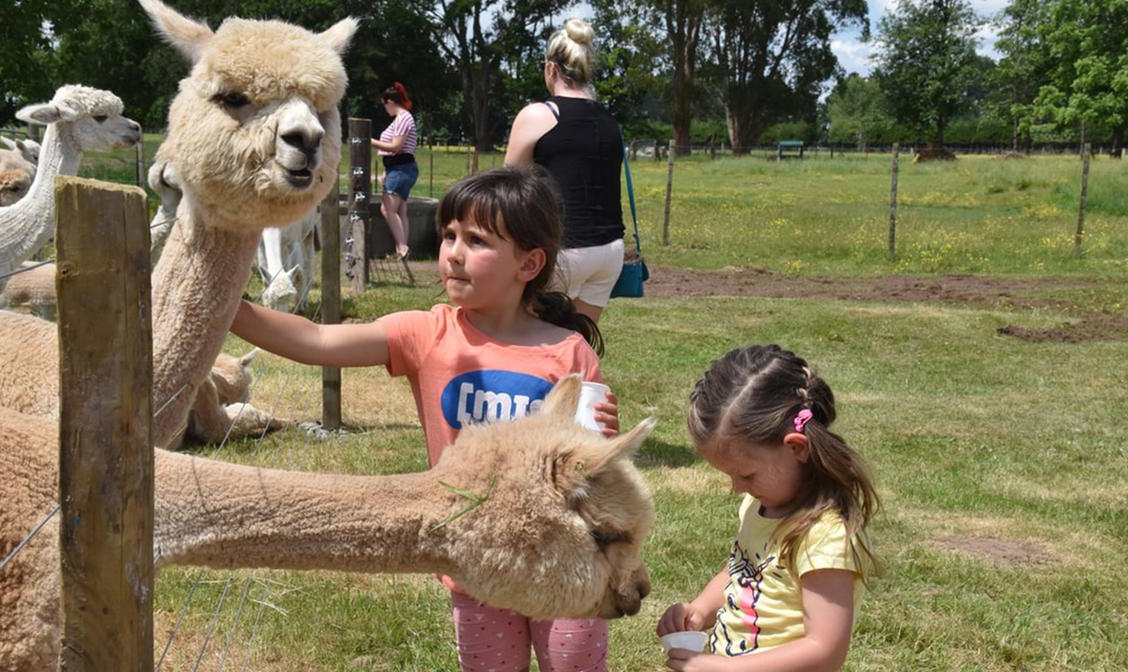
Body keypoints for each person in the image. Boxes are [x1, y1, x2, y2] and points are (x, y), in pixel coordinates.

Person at [230, 166, 620, 672]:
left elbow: (592, 471)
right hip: (477, 562)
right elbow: (315, 340)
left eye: (476, 240)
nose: (453, 252)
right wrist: (227, 307)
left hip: (565, 561)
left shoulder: (568, 352)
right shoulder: (427, 333)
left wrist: (602, 438)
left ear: (529, 264)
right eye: (448, 236)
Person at [656, 345, 879, 672]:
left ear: (796, 448)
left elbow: (825, 649)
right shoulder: (759, 505)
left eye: (746, 474)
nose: (737, 487)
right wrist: (701, 609)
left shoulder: (826, 537)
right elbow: (743, 573)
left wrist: (724, 669)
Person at [504, 18, 624, 324]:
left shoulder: (538, 115)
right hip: (609, 251)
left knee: (532, 342)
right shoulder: (610, 120)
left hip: (562, 251)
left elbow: (507, 187)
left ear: (551, 69)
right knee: (578, 344)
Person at [372, 82, 419, 259]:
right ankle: (402, 249)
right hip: (399, 168)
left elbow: (395, 146)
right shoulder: (404, 118)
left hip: (400, 168)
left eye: (385, 105)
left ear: (390, 101)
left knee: (387, 209)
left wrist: (369, 141)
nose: (385, 109)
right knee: (400, 211)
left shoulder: (402, 119)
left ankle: (402, 247)